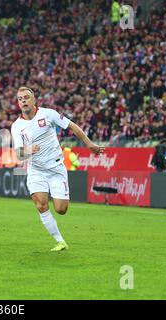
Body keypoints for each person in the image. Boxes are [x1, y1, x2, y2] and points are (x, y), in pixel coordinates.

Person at [11, 87, 105, 252]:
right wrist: (28, 150)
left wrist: (89, 144)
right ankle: (60, 241)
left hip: (56, 168)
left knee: (61, 209)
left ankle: (60, 230)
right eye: (20, 99)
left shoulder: (49, 114)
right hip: (36, 170)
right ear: (18, 103)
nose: (24, 101)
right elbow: (19, 154)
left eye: (26, 97)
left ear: (34, 100)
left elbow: (73, 127)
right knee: (41, 205)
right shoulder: (16, 126)